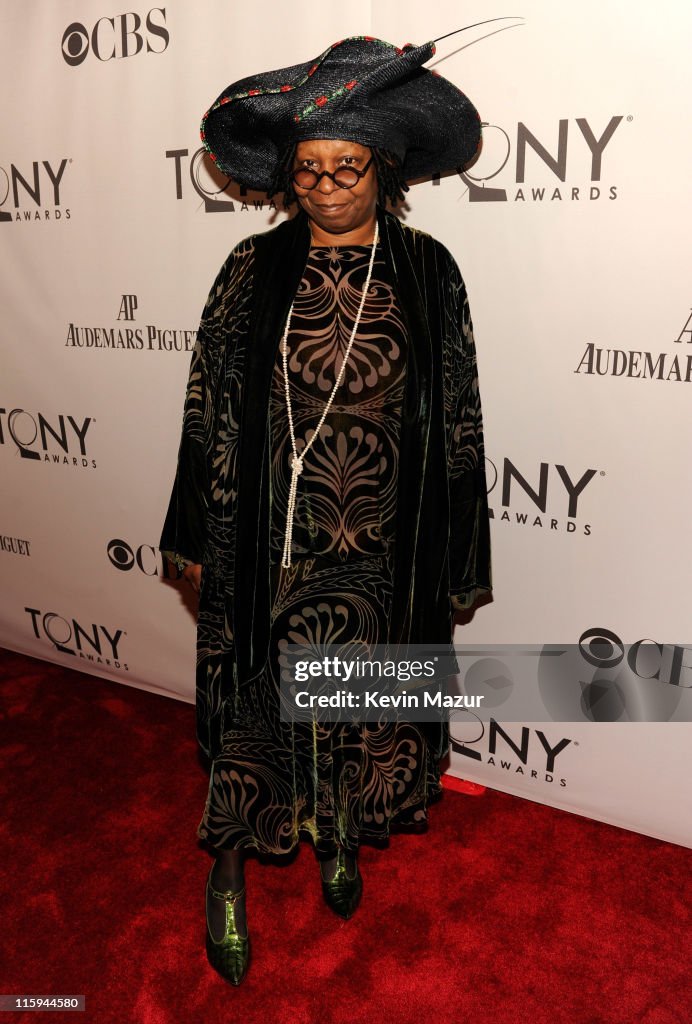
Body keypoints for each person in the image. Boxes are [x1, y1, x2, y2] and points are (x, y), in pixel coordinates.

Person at [160, 33, 492, 987]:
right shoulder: (247, 273)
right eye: (309, 170)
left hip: (381, 545)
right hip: (264, 538)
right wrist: (191, 530)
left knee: (359, 695)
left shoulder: (431, 271)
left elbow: (460, 413)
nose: (329, 186)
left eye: (348, 166)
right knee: (259, 706)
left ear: (384, 170)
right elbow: (205, 404)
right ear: (287, 180)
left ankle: (340, 830)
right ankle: (228, 869)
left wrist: (460, 552)